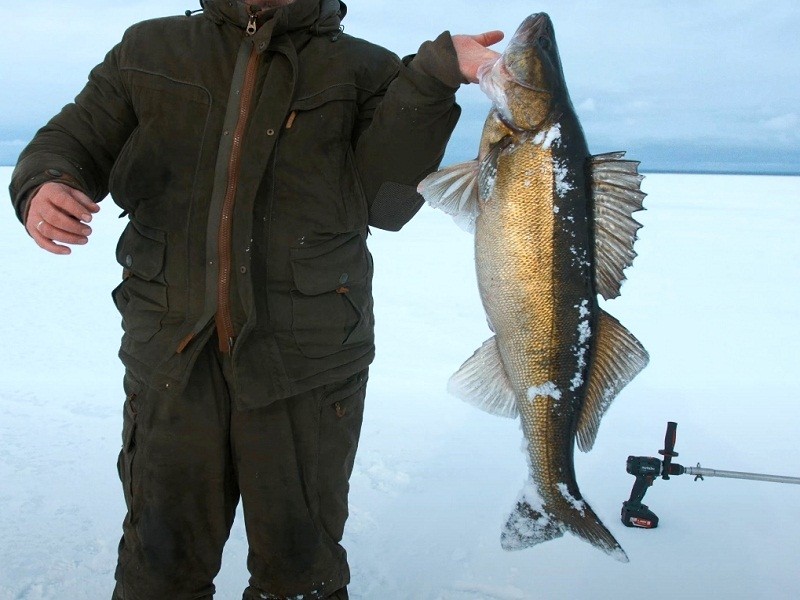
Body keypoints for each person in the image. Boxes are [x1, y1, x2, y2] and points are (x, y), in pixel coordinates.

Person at [9, 0, 502, 598]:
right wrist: (44, 182)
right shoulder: (149, 49)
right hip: (172, 354)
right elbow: (71, 139)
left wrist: (431, 77)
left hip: (308, 363)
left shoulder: (366, 71)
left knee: (301, 574)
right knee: (159, 569)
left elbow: (388, 203)